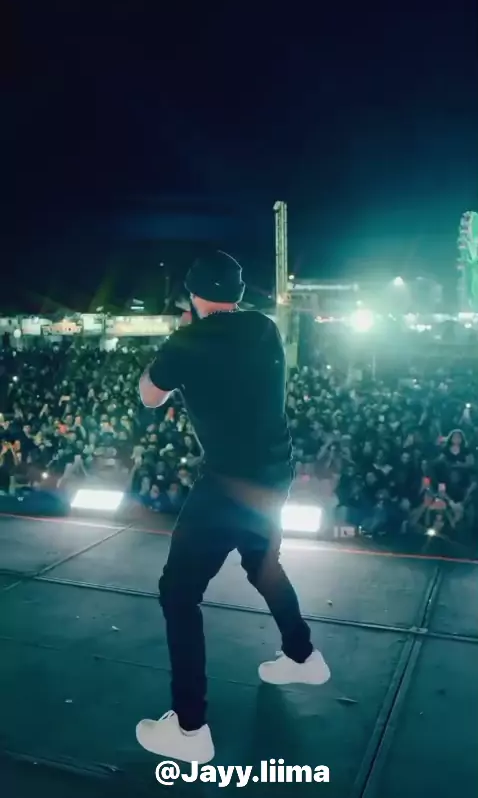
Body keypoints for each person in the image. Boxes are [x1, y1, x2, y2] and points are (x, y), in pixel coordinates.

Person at [135, 250, 330, 763]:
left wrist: (177, 342)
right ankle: (303, 656)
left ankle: (190, 730)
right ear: (239, 294)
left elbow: (149, 395)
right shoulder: (264, 328)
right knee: (263, 563)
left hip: (226, 483)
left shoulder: (188, 341)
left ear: (193, 295)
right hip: (274, 472)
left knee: (178, 593)